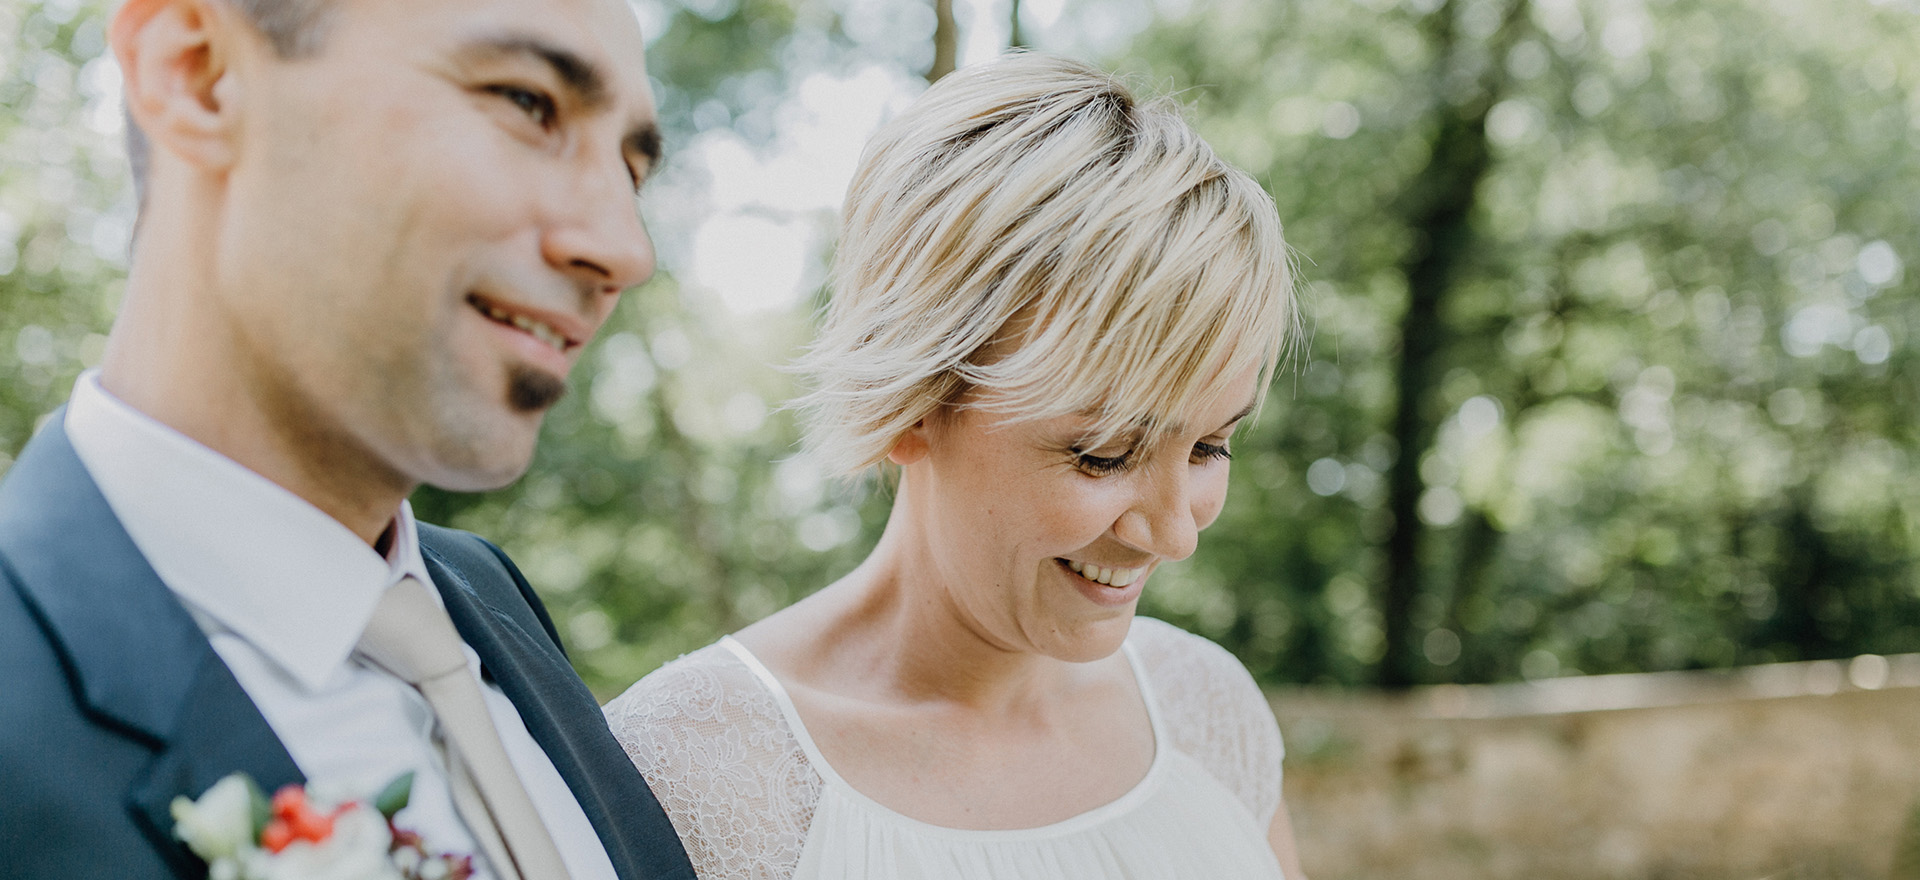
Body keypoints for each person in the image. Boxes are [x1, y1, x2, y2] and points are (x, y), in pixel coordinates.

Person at [0, 0, 693, 877]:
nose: (627, 251)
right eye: (528, 103)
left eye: (632, 170)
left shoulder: (490, 604)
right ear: (200, 77)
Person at [605, 52, 1308, 880]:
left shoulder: (1206, 709)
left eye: (1208, 448)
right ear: (911, 405)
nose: (1175, 532)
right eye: (1103, 454)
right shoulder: (695, 770)